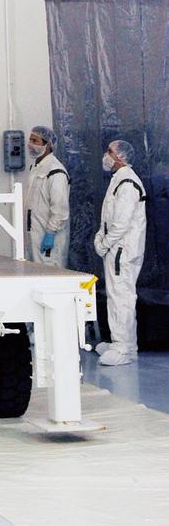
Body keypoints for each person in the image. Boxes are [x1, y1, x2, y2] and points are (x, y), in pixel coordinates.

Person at [94, 139, 146, 367]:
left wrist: (104, 243)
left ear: (121, 157)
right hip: (116, 249)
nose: (106, 155)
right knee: (116, 296)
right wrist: (101, 237)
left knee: (122, 298)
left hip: (122, 251)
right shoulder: (119, 180)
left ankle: (124, 348)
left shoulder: (128, 183)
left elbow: (121, 224)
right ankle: (120, 343)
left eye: (110, 152)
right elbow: (109, 218)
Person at [25, 125, 70, 266]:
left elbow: (60, 209)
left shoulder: (55, 171)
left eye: (35, 141)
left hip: (49, 239)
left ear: (48, 144)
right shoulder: (36, 168)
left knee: (49, 274)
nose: (30, 144)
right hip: (34, 235)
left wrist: (50, 233)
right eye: (30, 140)